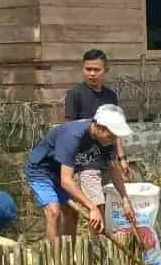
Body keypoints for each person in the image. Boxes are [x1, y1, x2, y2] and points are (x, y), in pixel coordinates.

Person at [24, 105, 139, 244]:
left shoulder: (107, 141)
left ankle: (68, 253)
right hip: (41, 169)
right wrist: (92, 207)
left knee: (72, 213)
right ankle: (55, 262)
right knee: (54, 211)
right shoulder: (72, 136)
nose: (113, 140)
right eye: (111, 135)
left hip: (60, 171)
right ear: (98, 126)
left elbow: (114, 170)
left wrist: (125, 200)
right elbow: (66, 181)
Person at [65, 49, 131, 205]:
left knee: (113, 202)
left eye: (96, 69)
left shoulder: (110, 96)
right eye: (88, 69)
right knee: (96, 205)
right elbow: (68, 130)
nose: (92, 74)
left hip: (108, 157)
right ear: (83, 68)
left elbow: (116, 130)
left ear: (105, 70)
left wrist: (121, 158)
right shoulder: (75, 94)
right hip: (87, 159)